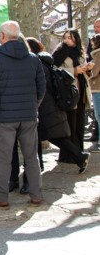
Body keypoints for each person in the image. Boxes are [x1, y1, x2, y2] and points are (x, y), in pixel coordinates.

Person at [0, 20, 45, 208]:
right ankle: (36, 194)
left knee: (4, 158)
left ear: (2, 36)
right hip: (28, 115)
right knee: (31, 156)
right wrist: (33, 106)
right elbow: (41, 88)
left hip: (4, 117)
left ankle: (1, 197)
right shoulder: (33, 59)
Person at [21, 37, 88, 177]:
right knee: (46, 136)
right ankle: (78, 157)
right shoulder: (45, 61)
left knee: (47, 136)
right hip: (50, 105)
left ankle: (79, 156)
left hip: (44, 107)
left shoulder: (36, 63)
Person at [53, 30, 93, 159]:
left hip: (81, 91)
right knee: (70, 123)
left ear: (76, 39)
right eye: (65, 38)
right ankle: (70, 155)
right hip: (68, 92)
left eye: (70, 38)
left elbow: (84, 72)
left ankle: (79, 151)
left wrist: (87, 69)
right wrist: (74, 71)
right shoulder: (59, 52)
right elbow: (55, 71)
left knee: (80, 124)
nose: (67, 40)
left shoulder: (80, 52)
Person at [87, 34, 100, 153]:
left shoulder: (98, 54)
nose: (91, 45)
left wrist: (88, 69)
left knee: (99, 115)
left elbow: (94, 72)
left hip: (98, 88)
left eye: (93, 42)